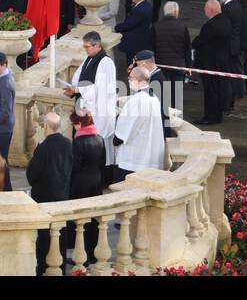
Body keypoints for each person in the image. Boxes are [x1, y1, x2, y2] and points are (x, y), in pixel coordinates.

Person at [63, 31, 117, 172]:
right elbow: (77, 78)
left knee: (96, 145)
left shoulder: (106, 62)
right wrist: (71, 89)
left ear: (97, 45)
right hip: (84, 108)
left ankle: (99, 177)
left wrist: (77, 90)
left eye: (87, 46)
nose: (85, 49)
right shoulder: (89, 58)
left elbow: (102, 89)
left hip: (98, 111)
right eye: (85, 46)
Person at [26, 111, 73, 275]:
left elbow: (31, 176)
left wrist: (34, 156)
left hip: (45, 198)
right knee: (61, 234)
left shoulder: (43, 147)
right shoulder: (68, 144)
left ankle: (43, 269)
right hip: (62, 196)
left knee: (45, 236)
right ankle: (60, 268)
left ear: (45, 126)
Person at [61, 109, 107, 270]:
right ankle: (93, 253)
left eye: (74, 123)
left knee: (80, 220)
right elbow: (103, 163)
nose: (74, 127)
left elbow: (75, 166)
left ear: (79, 124)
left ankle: (82, 256)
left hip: (80, 185)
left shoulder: (79, 142)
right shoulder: (100, 139)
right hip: (95, 182)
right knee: (93, 220)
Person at [113, 67, 166, 177]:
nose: (129, 80)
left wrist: (116, 139)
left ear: (138, 80)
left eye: (130, 78)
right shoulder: (154, 97)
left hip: (133, 161)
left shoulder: (138, 100)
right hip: (149, 158)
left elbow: (124, 132)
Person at [192, 0, 232, 124]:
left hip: (210, 63)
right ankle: (217, 115)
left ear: (211, 10)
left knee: (210, 91)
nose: (204, 10)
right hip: (222, 61)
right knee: (218, 89)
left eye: (205, 8)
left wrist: (194, 43)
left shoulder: (211, 25)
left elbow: (199, 41)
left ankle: (210, 117)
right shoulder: (226, 21)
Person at [114, 0, 154, 69]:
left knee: (132, 67)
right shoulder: (146, 5)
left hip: (135, 44)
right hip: (140, 42)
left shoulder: (140, 9)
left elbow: (129, 24)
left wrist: (116, 28)